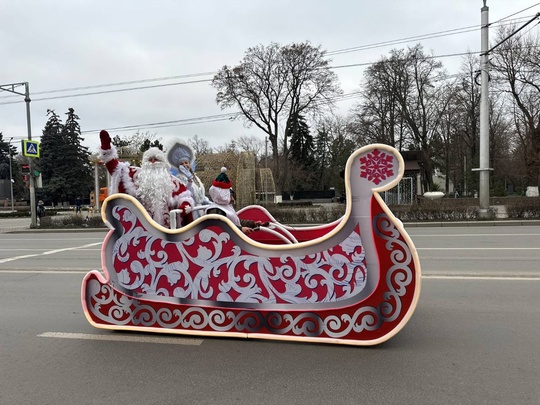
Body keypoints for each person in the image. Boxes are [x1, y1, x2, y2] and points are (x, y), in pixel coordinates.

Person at [98, 130, 194, 228]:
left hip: (168, 233)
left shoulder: (173, 182)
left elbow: (185, 197)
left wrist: (185, 204)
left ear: (163, 163)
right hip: (140, 232)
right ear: (144, 162)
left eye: (156, 159)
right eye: (150, 160)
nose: (153, 162)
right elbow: (116, 169)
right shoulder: (135, 175)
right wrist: (107, 149)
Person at [205, 167, 261, 234]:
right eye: (230, 195)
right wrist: (241, 229)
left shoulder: (226, 207)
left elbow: (237, 221)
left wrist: (253, 224)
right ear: (223, 194)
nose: (233, 199)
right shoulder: (215, 210)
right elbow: (221, 227)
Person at [166, 139, 210, 219]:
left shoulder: (195, 177)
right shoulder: (179, 178)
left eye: (186, 162)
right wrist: (189, 180)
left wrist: (209, 203)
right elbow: (186, 193)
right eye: (181, 164)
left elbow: (201, 195)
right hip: (191, 212)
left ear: (189, 163)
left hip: (201, 211)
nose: (185, 165)